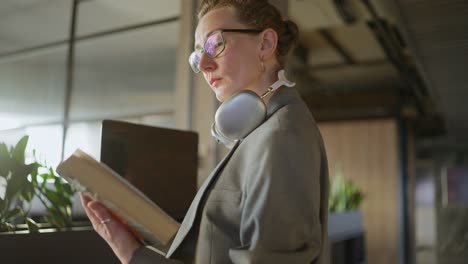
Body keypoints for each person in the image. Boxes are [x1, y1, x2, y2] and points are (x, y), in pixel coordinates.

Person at [81, 0, 329, 263]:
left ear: (265, 44)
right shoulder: (259, 133)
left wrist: (131, 253)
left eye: (215, 44)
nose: (205, 65)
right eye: (198, 55)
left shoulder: (279, 138)